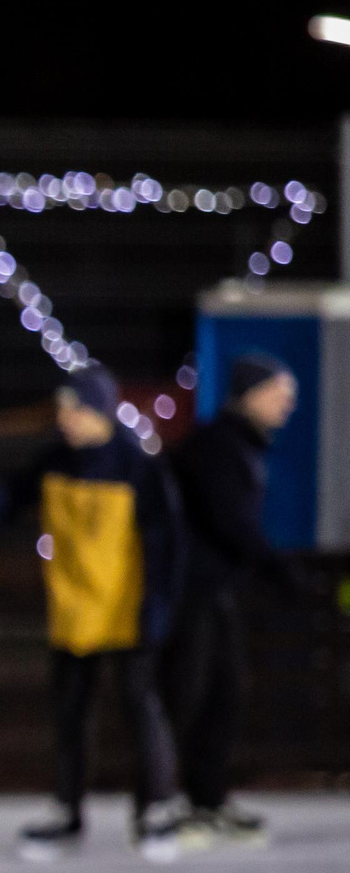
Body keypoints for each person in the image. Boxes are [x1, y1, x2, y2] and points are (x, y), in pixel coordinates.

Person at [0, 366, 185, 862]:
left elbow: (166, 543)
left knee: (140, 709)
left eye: (75, 409)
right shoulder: (55, 461)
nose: (65, 419)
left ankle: (154, 811)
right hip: (73, 612)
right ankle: (68, 812)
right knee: (71, 713)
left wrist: (157, 607)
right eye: (62, 409)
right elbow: (6, 499)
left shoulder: (137, 467)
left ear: (99, 412)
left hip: (126, 611)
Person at [165, 352, 301, 846]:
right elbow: (228, 521)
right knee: (188, 694)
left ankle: (208, 799)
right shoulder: (216, 446)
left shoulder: (243, 445)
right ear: (250, 395)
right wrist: (275, 566)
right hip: (191, 592)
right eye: (279, 395)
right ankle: (166, 801)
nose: (287, 407)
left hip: (215, 591)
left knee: (224, 693)